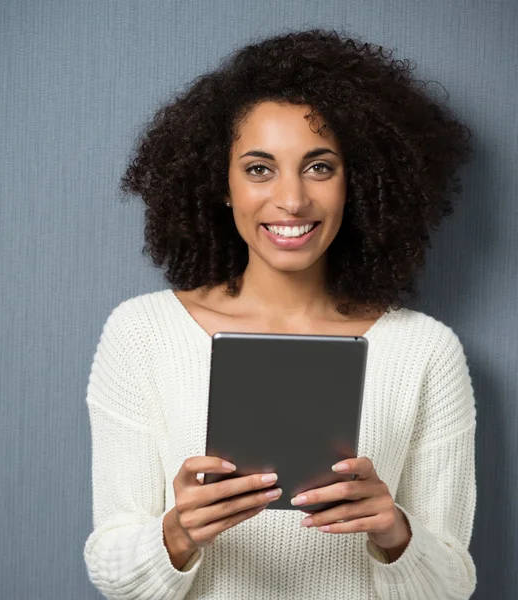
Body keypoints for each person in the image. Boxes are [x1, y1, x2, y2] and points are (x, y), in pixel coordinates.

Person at [83, 29, 477, 599]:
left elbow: (451, 586)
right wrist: (177, 534)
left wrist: (394, 532)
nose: (291, 200)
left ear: (356, 184)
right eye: (259, 168)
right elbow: (111, 569)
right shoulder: (142, 334)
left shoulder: (425, 350)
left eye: (319, 167)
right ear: (222, 184)